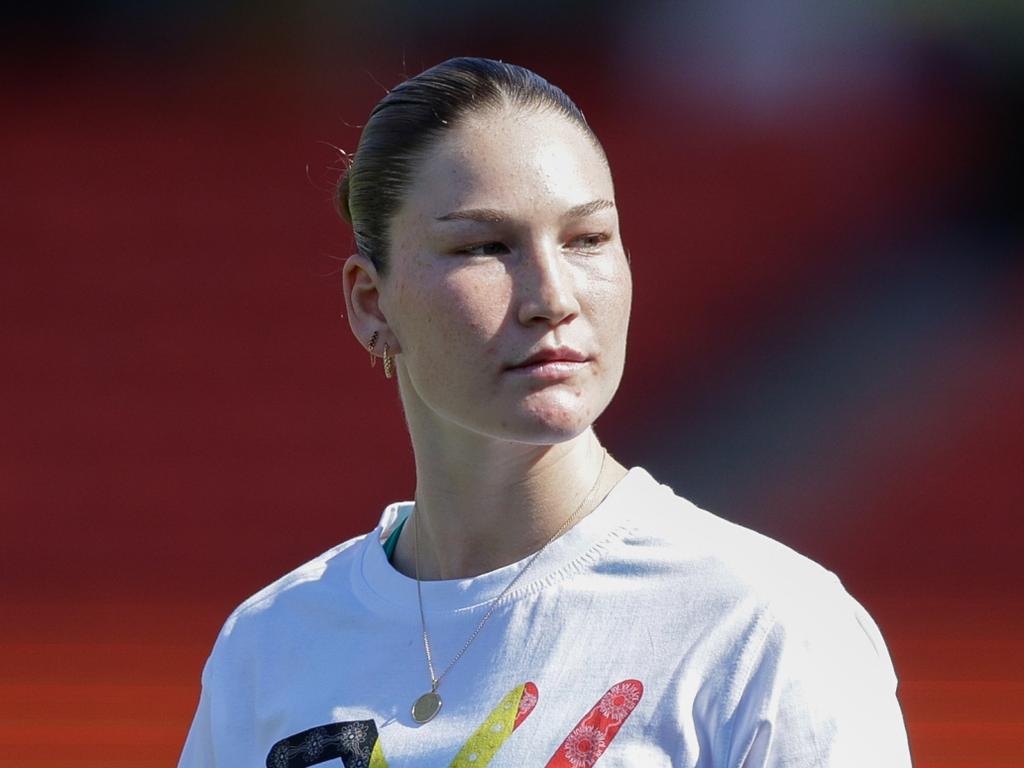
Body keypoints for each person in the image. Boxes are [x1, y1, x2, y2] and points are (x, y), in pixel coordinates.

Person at [179, 57, 911, 767]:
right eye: (485, 246)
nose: (553, 297)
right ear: (371, 302)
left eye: (588, 238)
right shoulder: (273, 645)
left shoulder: (763, 628)